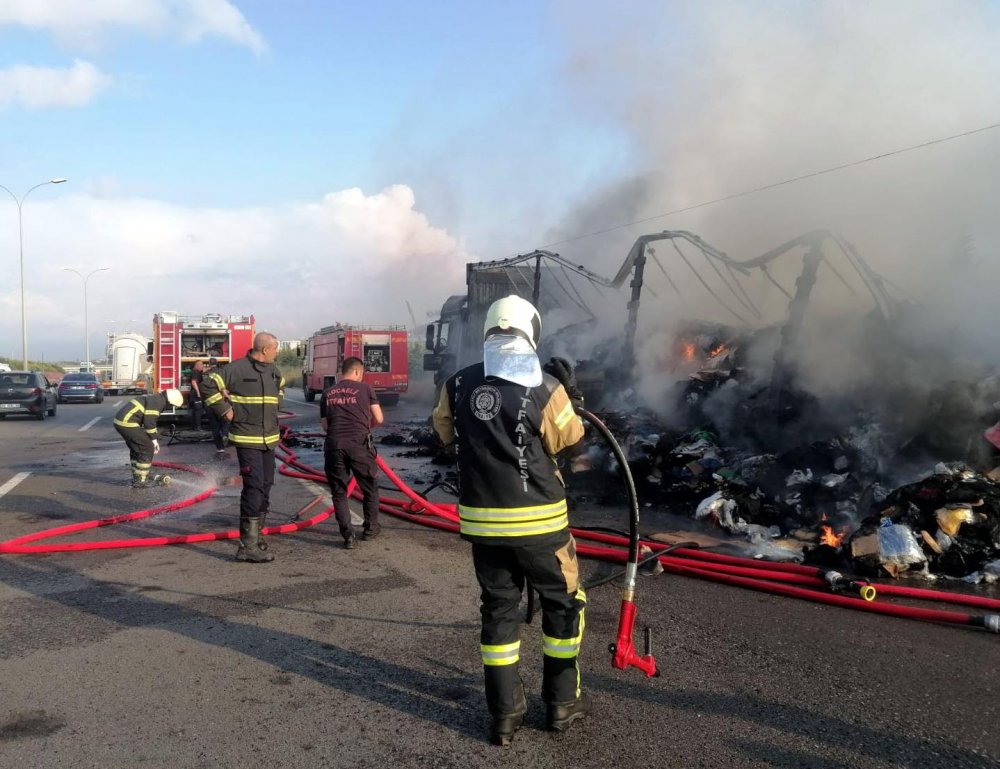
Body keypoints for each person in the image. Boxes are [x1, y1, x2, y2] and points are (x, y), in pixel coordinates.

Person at [432, 295, 590, 746]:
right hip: (541, 524)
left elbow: (443, 433)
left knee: (498, 611)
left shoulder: (458, 383)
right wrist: (570, 397)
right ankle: (561, 704)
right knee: (562, 607)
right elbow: (570, 440)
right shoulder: (543, 384)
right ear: (529, 330)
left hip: (484, 525)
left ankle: (504, 714)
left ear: (488, 330)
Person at [201, 332, 285, 563]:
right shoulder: (236, 369)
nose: (276, 353)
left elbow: (281, 386)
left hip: (269, 439)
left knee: (266, 485)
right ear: (266, 349)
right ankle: (246, 546)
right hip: (247, 439)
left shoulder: (274, 370)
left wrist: (278, 399)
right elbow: (208, 384)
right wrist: (224, 410)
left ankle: (257, 537)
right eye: (276, 349)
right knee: (254, 487)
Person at [321, 356, 384, 548]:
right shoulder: (365, 389)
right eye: (362, 373)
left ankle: (348, 536)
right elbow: (379, 418)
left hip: (334, 446)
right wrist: (366, 426)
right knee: (370, 488)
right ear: (357, 371)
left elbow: (325, 426)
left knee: (339, 492)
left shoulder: (328, 392)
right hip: (359, 445)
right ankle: (370, 529)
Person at [114, 389, 184, 488]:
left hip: (122, 422)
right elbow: (149, 422)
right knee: (147, 447)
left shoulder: (157, 398)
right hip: (127, 422)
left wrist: (152, 437)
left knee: (137, 448)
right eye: (172, 406)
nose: (171, 408)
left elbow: (148, 421)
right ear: (170, 402)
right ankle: (141, 480)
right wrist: (154, 440)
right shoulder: (158, 402)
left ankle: (138, 475)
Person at [204, 357, 231, 459]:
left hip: (208, 403)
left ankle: (219, 448)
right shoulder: (221, 373)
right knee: (225, 421)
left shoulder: (204, 374)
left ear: (209, 364)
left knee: (214, 426)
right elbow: (225, 387)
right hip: (220, 402)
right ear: (217, 363)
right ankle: (225, 434)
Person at [189, 359, 206, 430]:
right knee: (198, 411)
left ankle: (194, 426)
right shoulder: (195, 372)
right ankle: (198, 427)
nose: (203, 366)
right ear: (197, 365)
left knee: (195, 411)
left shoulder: (196, 372)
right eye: (201, 365)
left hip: (195, 394)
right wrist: (198, 393)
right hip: (196, 395)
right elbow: (194, 382)